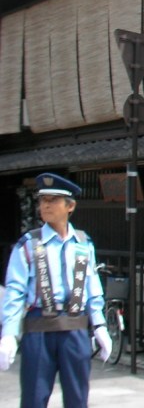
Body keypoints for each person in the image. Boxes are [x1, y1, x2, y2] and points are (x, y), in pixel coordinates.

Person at [0, 173, 111, 408]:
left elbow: (92, 288)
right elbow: (15, 290)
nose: (46, 205)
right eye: (42, 200)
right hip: (39, 326)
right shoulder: (29, 244)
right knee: (34, 397)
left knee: (77, 398)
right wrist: (8, 333)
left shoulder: (83, 243)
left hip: (76, 328)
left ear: (70, 206)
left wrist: (100, 325)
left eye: (53, 200)